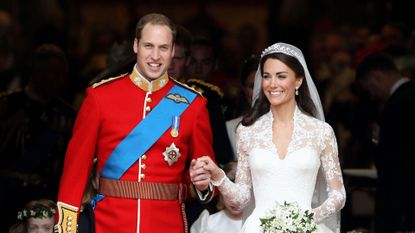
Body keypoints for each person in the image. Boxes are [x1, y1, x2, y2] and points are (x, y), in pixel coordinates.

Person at [54, 13, 215, 233]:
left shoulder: (193, 104)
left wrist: (204, 185)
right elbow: (75, 171)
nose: (155, 56)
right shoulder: (99, 97)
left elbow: (207, 176)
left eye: (164, 48)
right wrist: (66, 227)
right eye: (149, 46)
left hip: (166, 224)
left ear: (173, 51)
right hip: (109, 223)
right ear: (136, 46)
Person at [191, 42, 346, 233]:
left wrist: (303, 220)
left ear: (298, 81)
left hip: (306, 227)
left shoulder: (321, 131)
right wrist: (218, 175)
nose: (272, 84)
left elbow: (338, 194)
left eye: (281, 76)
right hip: (258, 228)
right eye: (267, 76)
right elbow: (241, 198)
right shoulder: (248, 131)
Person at [0, 44, 76, 232]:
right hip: (8, 195)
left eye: (59, 73)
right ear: (33, 71)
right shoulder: (7, 106)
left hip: (47, 198)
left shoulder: (67, 114)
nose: (53, 78)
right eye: (47, 71)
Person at [356, 52, 415, 233]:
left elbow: (398, 160)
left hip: (403, 199)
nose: (372, 96)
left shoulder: (398, 105)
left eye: (370, 89)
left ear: (377, 77)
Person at [190, 161, 243, 233]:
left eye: (240, 196)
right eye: (228, 195)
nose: (234, 201)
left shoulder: (257, 220)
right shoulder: (209, 223)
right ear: (221, 193)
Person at [226, 55, 259, 159]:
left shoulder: (290, 126)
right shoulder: (230, 128)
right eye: (253, 86)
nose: (258, 92)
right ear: (244, 89)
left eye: (262, 85)